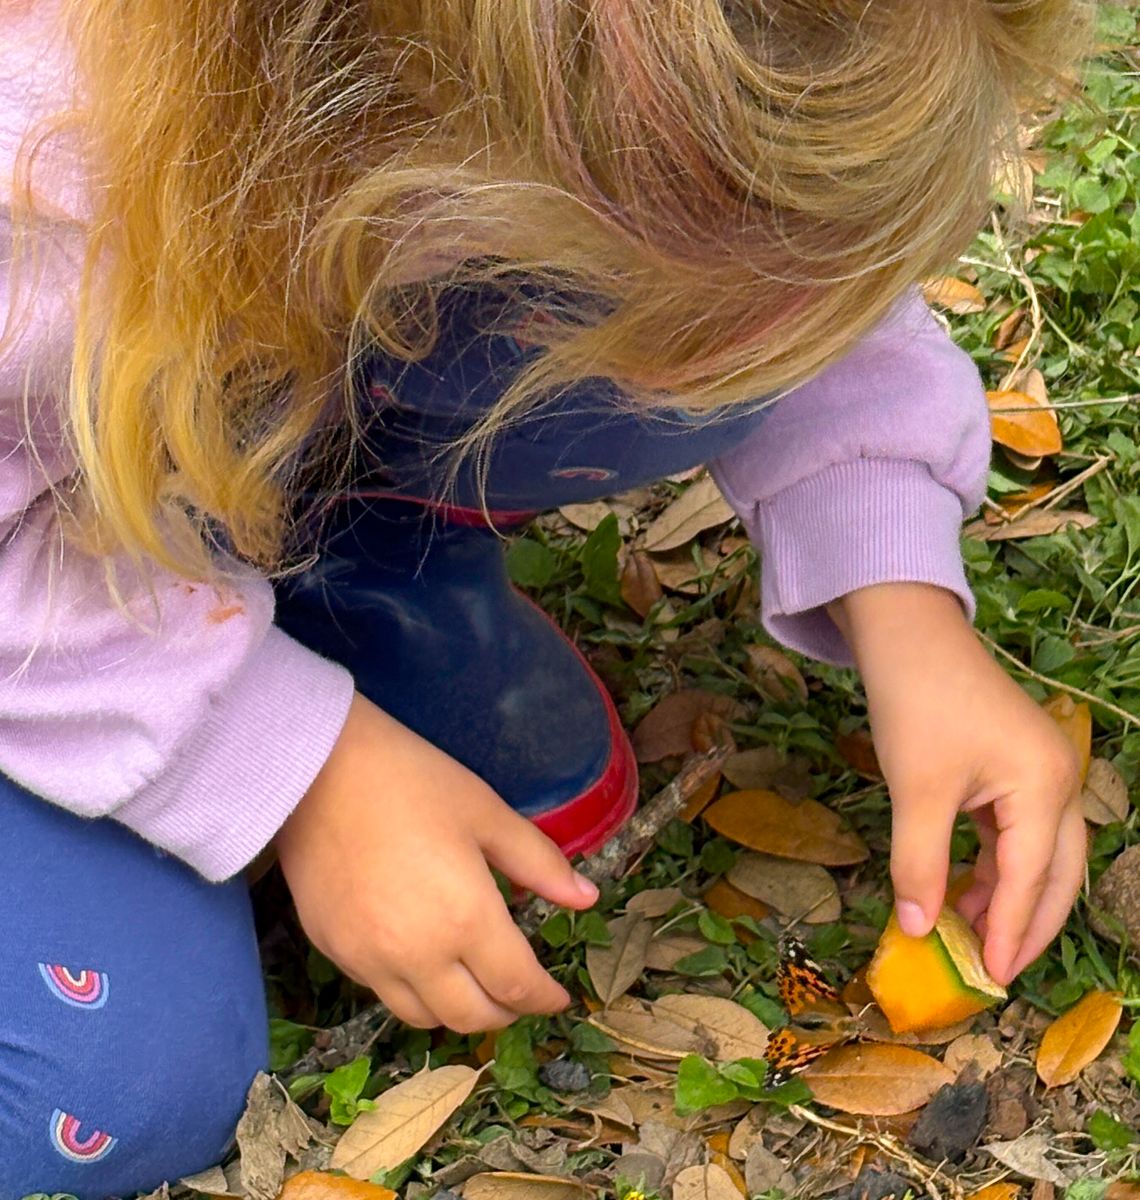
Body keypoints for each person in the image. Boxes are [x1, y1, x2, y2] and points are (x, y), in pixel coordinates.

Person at [0, 0, 1091, 1192]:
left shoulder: (547, 75)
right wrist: (295, 765)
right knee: (113, 1090)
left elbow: (800, 254)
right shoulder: (46, 154)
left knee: (684, 313)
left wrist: (903, 600)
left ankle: (345, 566)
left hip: (182, 344)